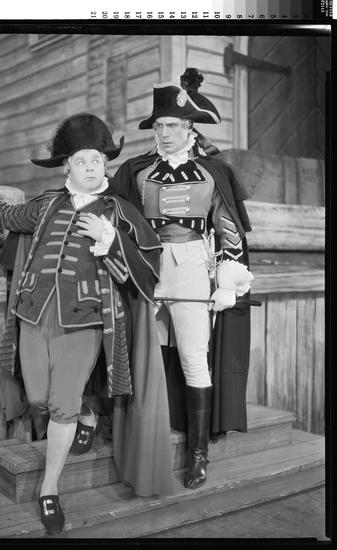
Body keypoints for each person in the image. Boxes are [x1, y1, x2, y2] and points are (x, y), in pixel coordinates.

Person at [0, 113, 175, 536]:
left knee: (59, 404)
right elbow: (5, 215)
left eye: (97, 160)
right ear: (67, 168)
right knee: (39, 397)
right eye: (82, 161)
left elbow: (150, 264)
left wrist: (111, 239)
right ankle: (86, 416)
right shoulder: (46, 204)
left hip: (85, 320)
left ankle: (49, 488)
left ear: (105, 165)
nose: (92, 167)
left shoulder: (118, 211)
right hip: (33, 312)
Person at [110, 68, 253, 491]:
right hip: (149, 269)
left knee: (193, 357)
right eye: (159, 126)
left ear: (190, 127)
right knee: (146, 356)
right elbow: (119, 220)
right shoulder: (136, 171)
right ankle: (144, 442)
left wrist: (227, 280)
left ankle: (198, 455)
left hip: (193, 267)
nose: (165, 133)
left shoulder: (213, 172)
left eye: (173, 125)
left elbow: (229, 229)